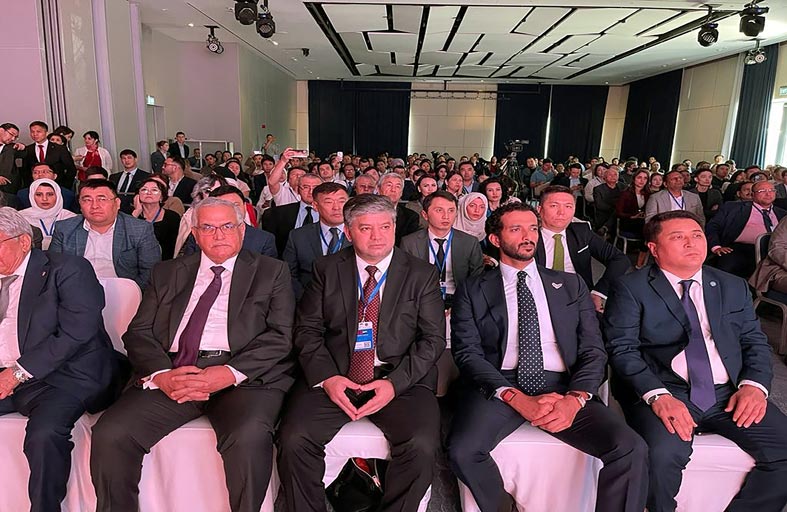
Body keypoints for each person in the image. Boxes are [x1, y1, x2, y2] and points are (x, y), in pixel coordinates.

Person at [90, 197, 294, 512]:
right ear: (195, 234)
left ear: (242, 230)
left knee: (248, 436)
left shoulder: (271, 271)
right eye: (208, 228)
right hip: (176, 372)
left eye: (227, 226)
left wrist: (228, 373)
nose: (218, 235)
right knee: (111, 433)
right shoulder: (167, 272)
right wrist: (163, 374)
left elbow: (280, 335)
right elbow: (139, 332)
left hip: (242, 378)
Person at [448, 202, 648, 512]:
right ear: (496, 239)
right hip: (501, 384)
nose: (527, 236)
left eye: (532, 228)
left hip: (564, 384)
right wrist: (514, 397)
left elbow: (593, 350)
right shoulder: (474, 289)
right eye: (516, 229)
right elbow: (468, 353)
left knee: (630, 447)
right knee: (463, 450)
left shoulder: (569, 284)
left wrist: (576, 398)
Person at [603, 210, 787, 512]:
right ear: (654, 248)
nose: (692, 243)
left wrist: (754, 386)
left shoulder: (731, 285)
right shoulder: (632, 288)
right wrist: (658, 396)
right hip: (667, 390)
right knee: (660, 456)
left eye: (697, 235)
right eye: (678, 237)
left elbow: (754, 341)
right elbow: (622, 349)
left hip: (728, 392)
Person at [277, 194, 445, 512]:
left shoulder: (421, 273)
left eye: (385, 227)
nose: (377, 236)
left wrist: (394, 384)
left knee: (421, 444)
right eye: (366, 228)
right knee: (294, 438)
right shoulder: (327, 268)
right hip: (336, 374)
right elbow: (307, 330)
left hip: (398, 378)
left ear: (394, 227)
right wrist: (328, 378)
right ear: (349, 231)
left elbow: (433, 340)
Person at [0, 207, 124, 512]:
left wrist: (17, 373)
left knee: (44, 434)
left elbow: (77, 332)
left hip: (65, 375)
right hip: (8, 374)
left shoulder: (68, 269)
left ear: (23, 242)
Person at [49, 179, 161, 290]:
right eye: (87, 200)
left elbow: (151, 270)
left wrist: (132, 292)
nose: (95, 206)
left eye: (102, 199)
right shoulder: (64, 228)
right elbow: (54, 268)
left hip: (123, 290)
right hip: (77, 289)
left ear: (117, 203)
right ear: (80, 204)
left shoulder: (139, 229)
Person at [537, 185, 631, 313]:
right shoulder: (528, 236)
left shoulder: (581, 232)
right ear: (539, 209)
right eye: (554, 206)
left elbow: (620, 259)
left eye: (568, 206)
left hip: (578, 297)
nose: (561, 212)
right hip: (540, 298)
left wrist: (599, 292)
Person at [401, 190, 483, 308]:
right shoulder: (410, 242)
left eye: (451, 210)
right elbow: (405, 281)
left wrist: (461, 306)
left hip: (459, 300)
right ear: (425, 215)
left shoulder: (469, 242)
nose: (446, 216)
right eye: (439, 210)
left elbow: (476, 280)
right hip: (421, 301)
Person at [705, 180, 786, 278]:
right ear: (753, 194)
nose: (768, 194)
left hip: (775, 251)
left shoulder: (782, 214)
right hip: (740, 249)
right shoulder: (733, 208)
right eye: (762, 191)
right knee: (726, 269)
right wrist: (716, 247)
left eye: (771, 190)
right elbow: (713, 226)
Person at [284, 182, 351, 300]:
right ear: (315, 206)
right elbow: (289, 274)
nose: (336, 207)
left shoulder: (360, 234)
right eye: (329, 202)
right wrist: (307, 300)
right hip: (308, 301)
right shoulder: (298, 236)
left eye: (342, 201)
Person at [261, 173, 322, 257]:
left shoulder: (332, 213)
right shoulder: (278, 213)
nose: (311, 192)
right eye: (306, 187)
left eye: (316, 188)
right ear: (298, 190)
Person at [18, 178, 77, 250]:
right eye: (39, 194)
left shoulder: (71, 218)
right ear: (32, 196)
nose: (44, 199)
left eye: (50, 194)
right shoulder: (21, 218)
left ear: (58, 195)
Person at [130, 177, 181, 260]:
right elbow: (124, 239)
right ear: (137, 196)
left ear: (161, 197)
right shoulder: (130, 215)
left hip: (163, 262)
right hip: (134, 260)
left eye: (154, 190)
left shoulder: (172, 217)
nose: (149, 193)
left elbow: (173, 247)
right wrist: (137, 212)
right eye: (144, 190)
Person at [21, 121, 77, 189]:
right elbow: (25, 171)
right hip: (35, 188)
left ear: (46, 133)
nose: (35, 134)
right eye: (32, 132)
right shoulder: (28, 149)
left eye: (38, 131)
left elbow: (71, 169)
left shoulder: (60, 149)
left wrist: (65, 186)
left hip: (58, 186)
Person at [616, 169, 651, 268]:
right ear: (634, 179)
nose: (642, 181)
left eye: (645, 178)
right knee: (647, 229)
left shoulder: (649, 194)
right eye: (639, 177)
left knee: (650, 228)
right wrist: (632, 216)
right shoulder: (625, 193)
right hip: (628, 221)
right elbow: (619, 212)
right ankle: (640, 261)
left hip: (643, 221)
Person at [377, 173, 419, 246]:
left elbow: (408, 245)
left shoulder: (411, 217)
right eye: (389, 185)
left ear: (401, 192)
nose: (393, 190)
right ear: (378, 189)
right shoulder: (367, 213)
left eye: (397, 186)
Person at [111, 149, 151, 214]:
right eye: (124, 158)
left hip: (136, 209)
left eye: (129, 158)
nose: (127, 160)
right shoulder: (114, 177)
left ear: (135, 159)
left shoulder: (145, 176)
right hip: (117, 209)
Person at [593, 166, 625, 237]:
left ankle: (606, 228)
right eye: (610, 175)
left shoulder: (623, 187)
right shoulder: (598, 189)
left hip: (621, 214)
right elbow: (599, 205)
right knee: (616, 212)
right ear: (605, 177)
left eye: (615, 175)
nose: (613, 177)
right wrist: (615, 208)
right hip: (605, 213)